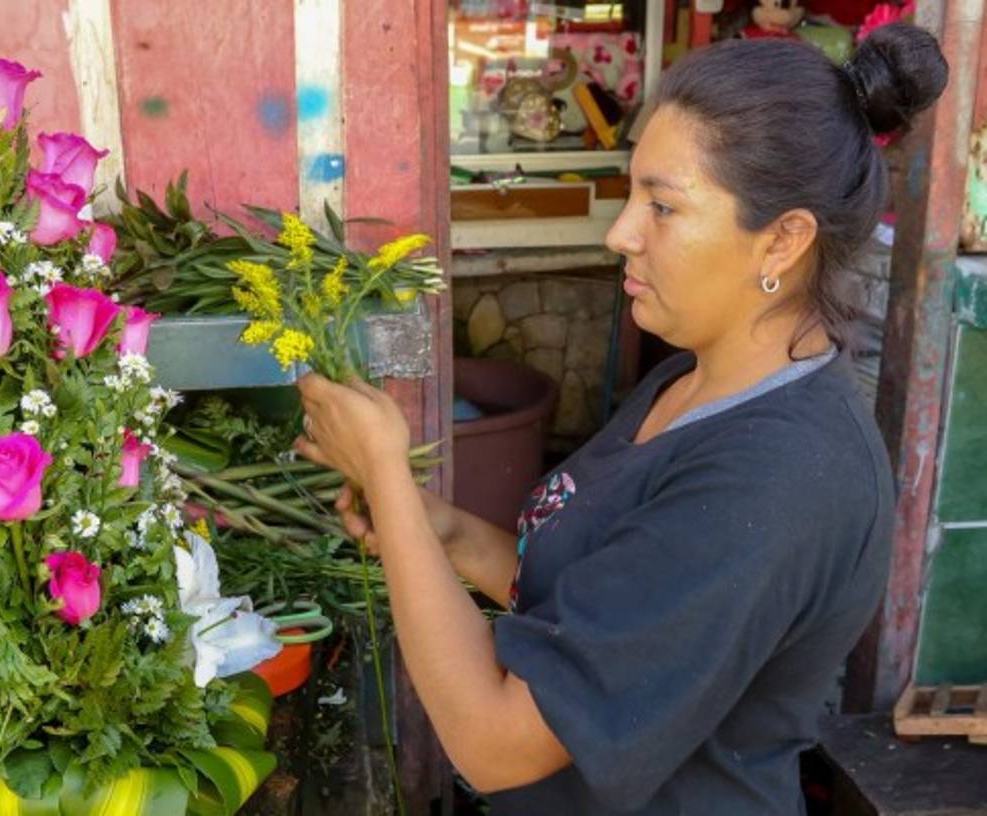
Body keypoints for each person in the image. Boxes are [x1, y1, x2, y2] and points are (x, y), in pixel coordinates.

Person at [294, 23, 947, 815]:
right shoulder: (691, 379)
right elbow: (603, 600)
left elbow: (497, 744)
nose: (619, 233)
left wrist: (389, 479)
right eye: (633, 193)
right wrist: (445, 532)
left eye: (662, 206)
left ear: (782, 241)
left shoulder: (778, 476)